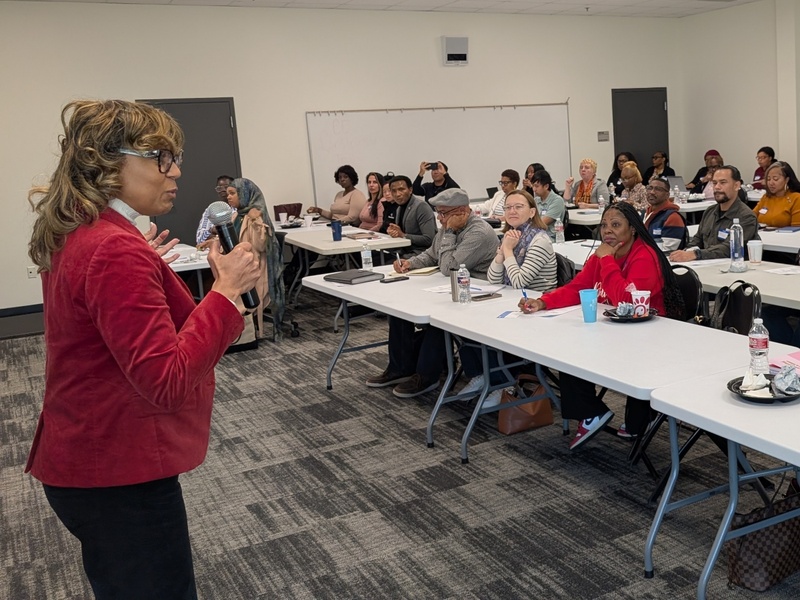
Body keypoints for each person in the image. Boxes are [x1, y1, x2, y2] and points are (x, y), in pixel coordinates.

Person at [25, 99, 261, 599]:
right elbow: (167, 382)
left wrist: (142, 270)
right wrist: (225, 294)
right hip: (115, 472)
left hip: (92, 458)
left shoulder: (88, 233)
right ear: (108, 162)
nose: (176, 170)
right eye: (160, 157)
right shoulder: (112, 248)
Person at [519, 202, 682, 448]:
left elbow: (626, 302)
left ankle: (636, 414)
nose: (608, 231)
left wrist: (607, 260)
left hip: (649, 335)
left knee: (578, 349)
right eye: (604, 225)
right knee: (567, 346)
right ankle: (591, 411)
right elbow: (578, 288)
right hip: (615, 330)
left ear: (633, 229)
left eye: (616, 225)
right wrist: (543, 302)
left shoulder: (644, 255)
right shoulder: (605, 253)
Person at [366, 188, 498, 398]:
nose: (440, 218)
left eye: (444, 213)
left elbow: (449, 267)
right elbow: (432, 254)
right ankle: (400, 368)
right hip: (451, 288)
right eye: (439, 213)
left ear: (463, 210)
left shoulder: (478, 232)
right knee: (400, 309)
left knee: (439, 321)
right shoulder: (449, 225)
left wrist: (451, 233)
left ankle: (427, 376)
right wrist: (410, 263)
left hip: (477, 293)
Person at [225, 178, 286, 339]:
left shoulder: (255, 216)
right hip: (240, 265)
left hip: (256, 269)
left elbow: (260, 246)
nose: (228, 197)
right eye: (227, 194)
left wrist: (257, 223)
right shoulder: (237, 216)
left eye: (232, 193)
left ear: (245, 194)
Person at [670, 165, 760, 262]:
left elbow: (728, 248)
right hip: (705, 265)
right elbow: (697, 240)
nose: (717, 187)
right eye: (714, 183)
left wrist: (695, 254)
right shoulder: (710, 211)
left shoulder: (746, 216)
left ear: (736, 186)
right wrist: (686, 252)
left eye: (723, 182)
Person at [381, 175, 437, 257]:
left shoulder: (421, 207)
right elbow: (402, 233)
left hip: (421, 253)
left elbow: (429, 239)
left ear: (410, 190)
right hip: (403, 250)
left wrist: (403, 235)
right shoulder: (399, 207)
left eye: (401, 189)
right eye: (393, 191)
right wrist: (394, 232)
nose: (397, 194)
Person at [643, 176, 687, 252]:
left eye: (658, 189)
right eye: (650, 188)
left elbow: (666, 250)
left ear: (667, 195)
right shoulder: (645, 213)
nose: (652, 192)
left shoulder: (673, 217)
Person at [751, 161, 800, 227]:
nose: (771, 183)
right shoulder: (766, 197)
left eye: (775, 179)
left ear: (786, 180)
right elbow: (751, 217)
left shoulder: (796, 198)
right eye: (768, 179)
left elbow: (797, 229)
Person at [196, 174, 234, 244]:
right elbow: (199, 238)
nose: (222, 190)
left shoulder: (239, 210)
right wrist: (212, 230)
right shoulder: (211, 210)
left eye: (226, 187)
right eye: (219, 188)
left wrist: (217, 235)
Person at [530, 170, 566, 241]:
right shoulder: (536, 200)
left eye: (537, 186)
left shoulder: (557, 200)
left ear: (546, 186)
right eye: (533, 186)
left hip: (550, 238)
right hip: (536, 235)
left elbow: (542, 223)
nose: (534, 189)